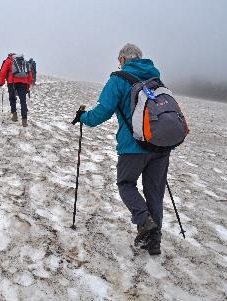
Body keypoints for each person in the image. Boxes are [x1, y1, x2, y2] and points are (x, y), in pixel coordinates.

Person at [72, 43, 169, 255]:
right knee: (154, 193)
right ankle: (154, 241)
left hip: (132, 146)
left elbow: (103, 111)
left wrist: (83, 118)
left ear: (123, 60)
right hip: (160, 145)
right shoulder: (155, 79)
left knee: (126, 184)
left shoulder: (119, 79)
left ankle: (145, 222)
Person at [0, 53, 33, 127]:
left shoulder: (9, 60)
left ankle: (14, 116)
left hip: (12, 82)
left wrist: (2, 82)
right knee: (23, 101)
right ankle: (24, 121)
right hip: (23, 83)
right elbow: (29, 73)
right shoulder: (24, 61)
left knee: (12, 98)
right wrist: (29, 83)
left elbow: (3, 71)